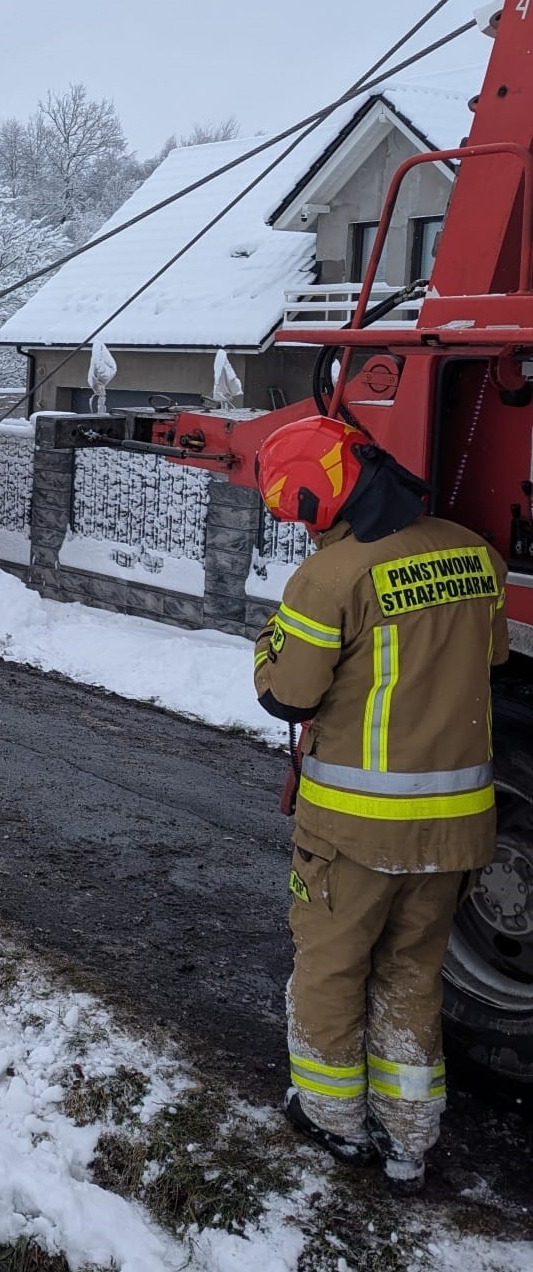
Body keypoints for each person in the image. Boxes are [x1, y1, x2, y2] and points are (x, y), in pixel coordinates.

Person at [253, 414, 507, 1192]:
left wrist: (268, 643)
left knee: (331, 967)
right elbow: (492, 654)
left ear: (315, 498)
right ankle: (409, 1135)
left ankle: (332, 1119)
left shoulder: (331, 577)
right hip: (455, 826)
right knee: (412, 972)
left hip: (354, 831)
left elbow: (287, 694)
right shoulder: (474, 552)